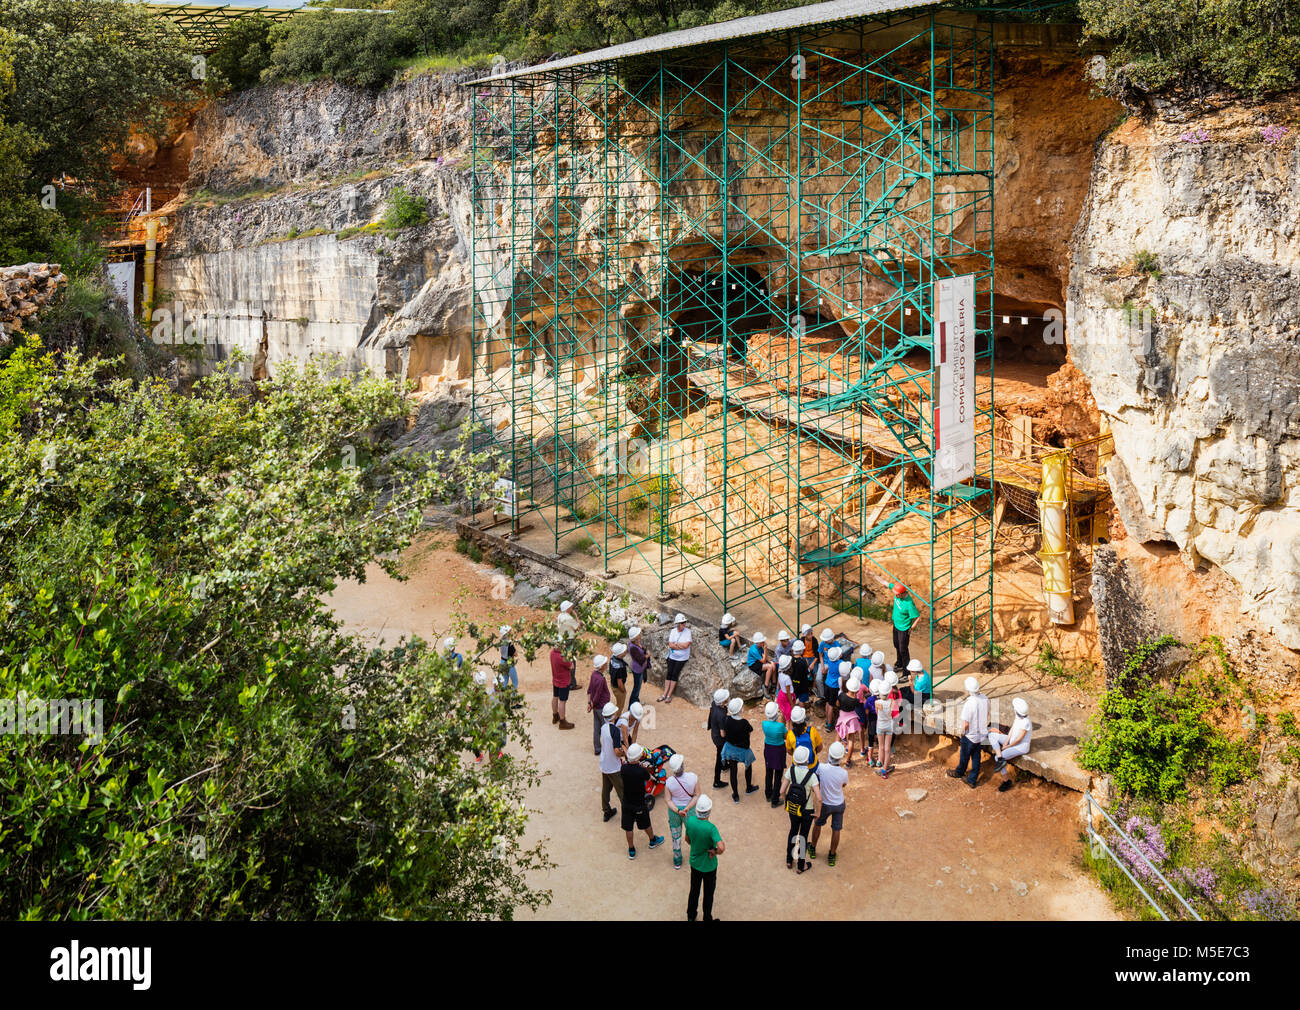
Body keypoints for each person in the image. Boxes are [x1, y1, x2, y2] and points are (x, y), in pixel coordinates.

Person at [620, 743, 665, 858]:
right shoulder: (641, 771)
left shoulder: (623, 768)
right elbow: (649, 777)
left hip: (626, 802)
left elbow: (628, 765)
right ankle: (652, 840)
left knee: (628, 827)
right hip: (639, 803)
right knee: (646, 823)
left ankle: (631, 849)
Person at [809, 740, 850, 866]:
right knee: (836, 829)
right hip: (839, 804)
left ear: (829, 754)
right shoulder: (844, 773)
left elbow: (815, 779)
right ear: (841, 757)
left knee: (818, 824)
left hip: (825, 804)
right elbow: (843, 785)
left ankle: (813, 848)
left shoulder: (821, 767)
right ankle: (832, 855)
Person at [781, 746, 821, 873]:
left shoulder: (791, 771)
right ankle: (801, 865)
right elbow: (819, 798)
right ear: (807, 759)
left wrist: (786, 804)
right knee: (803, 836)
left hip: (793, 808)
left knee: (793, 831)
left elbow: (782, 791)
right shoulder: (812, 776)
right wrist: (818, 812)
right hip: (807, 810)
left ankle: (789, 860)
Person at [685, 794, 724, 921]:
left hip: (695, 863)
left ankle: (691, 916)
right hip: (709, 866)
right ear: (709, 811)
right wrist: (715, 851)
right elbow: (722, 847)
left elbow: (687, 839)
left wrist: (696, 845)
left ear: (697, 810)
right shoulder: (711, 828)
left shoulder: (690, 821)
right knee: (708, 893)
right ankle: (707, 918)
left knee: (694, 890)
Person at [948, 676, 990, 788]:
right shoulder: (985, 698)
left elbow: (966, 724)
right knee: (976, 757)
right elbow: (987, 714)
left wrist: (962, 732)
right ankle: (972, 780)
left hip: (970, 735)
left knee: (964, 756)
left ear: (968, 689)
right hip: (980, 734)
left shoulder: (969, 703)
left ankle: (959, 772)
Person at [664, 753, 700, 869]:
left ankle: (677, 860)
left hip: (675, 811)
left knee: (676, 836)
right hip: (689, 810)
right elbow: (697, 795)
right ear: (683, 766)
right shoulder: (693, 777)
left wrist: (677, 810)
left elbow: (668, 800)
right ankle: (696, 856)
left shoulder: (669, 782)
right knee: (694, 834)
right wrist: (687, 808)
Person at [875, 579, 920, 670]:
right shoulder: (897, 591)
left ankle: (906, 671)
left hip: (904, 629)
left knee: (903, 650)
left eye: (897, 594)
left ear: (902, 593)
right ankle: (899, 663)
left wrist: (911, 628)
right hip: (896, 625)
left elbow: (918, 617)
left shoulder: (909, 604)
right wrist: (873, 575)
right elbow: (886, 583)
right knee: (896, 645)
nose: (895, 595)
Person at [721, 696, 759, 803]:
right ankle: (748, 787)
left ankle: (736, 795)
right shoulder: (744, 723)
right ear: (740, 710)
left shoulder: (726, 719)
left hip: (730, 748)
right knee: (748, 766)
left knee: (733, 771)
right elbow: (750, 731)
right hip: (743, 749)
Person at [990, 697, 1032, 792]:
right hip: (1012, 741)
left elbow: (1019, 739)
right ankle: (1000, 756)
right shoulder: (1019, 716)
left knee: (997, 759)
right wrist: (1005, 742)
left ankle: (1006, 782)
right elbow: (1012, 729)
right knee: (992, 735)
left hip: (1020, 747)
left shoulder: (1026, 722)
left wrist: (1008, 746)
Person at [598, 701, 626, 822]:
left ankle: (606, 811)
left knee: (606, 789)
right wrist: (624, 753)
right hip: (614, 766)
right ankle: (627, 814)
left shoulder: (603, 727)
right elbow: (616, 751)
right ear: (613, 715)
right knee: (622, 791)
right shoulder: (614, 730)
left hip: (604, 763)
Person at [761, 700, 787, 807]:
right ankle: (775, 800)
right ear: (776, 713)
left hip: (768, 749)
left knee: (769, 772)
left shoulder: (764, 724)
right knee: (778, 775)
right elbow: (785, 736)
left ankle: (768, 794)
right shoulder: (780, 726)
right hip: (779, 751)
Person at [876, 675, 903, 778]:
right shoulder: (892, 702)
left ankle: (879, 762)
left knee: (880, 746)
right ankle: (884, 769)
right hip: (889, 726)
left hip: (880, 726)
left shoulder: (877, 702)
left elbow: (878, 714)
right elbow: (894, 713)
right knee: (887, 748)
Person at [662, 614, 691, 703]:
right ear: (678, 624)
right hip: (672, 656)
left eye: (684, 622)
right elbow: (670, 645)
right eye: (682, 623)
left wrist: (676, 645)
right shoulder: (673, 631)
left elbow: (686, 645)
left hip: (682, 658)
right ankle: (664, 693)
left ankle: (669, 695)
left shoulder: (688, 632)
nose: (684, 624)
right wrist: (680, 646)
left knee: (674, 674)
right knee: (669, 674)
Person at [586, 654, 612, 756]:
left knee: (596, 729)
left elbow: (589, 690)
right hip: (602, 707)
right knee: (605, 728)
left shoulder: (593, 674)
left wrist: (589, 703)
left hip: (596, 708)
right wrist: (592, 704)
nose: (606, 664)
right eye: (605, 664)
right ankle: (607, 747)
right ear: (601, 666)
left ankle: (597, 748)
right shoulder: (601, 679)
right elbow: (597, 695)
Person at [835, 674, 863, 766]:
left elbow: (837, 704)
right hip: (851, 720)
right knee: (851, 740)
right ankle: (848, 761)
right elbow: (858, 705)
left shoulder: (842, 695)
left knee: (838, 737)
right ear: (857, 690)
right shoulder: (855, 700)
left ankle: (835, 757)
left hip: (842, 717)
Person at [785, 706, 822, 774]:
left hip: (797, 765)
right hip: (812, 765)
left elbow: (789, 751)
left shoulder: (790, 734)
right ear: (803, 718)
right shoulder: (812, 731)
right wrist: (813, 751)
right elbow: (820, 747)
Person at [555, 603, 583, 687]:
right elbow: (578, 627)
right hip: (569, 640)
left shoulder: (560, 616)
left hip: (562, 639)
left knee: (566, 659)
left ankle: (566, 681)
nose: (572, 608)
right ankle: (572, 683)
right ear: (567, 608)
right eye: (570, 607)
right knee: (571, 661)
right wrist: (576, 616)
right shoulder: (569, 618)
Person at [707, 688, 730, 789]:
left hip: (714, 733)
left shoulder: (714, 704)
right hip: (719, 739)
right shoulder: (721, 715)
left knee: (722, 754)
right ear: (724, 701)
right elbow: (723, 734)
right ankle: (716, 782)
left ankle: (724, 766)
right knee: (719, 756)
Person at [549, 645, 575, 730]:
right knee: (562, 701)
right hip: (563, 681)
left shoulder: (552, 653)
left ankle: (555, 715)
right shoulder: (562, 657)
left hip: (555, 679)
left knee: (555, 697)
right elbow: (571, 666)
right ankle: (562, 721)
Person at [626, 626, 649, 709]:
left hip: (639, 669)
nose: (640, 634)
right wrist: (647, 656)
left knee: (638, 687)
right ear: (636, 637)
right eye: (639, 634)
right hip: (638, 670)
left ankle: (636, 701)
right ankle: (631, 706)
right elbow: (640, 660)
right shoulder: (633, 647)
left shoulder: (635, 644)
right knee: (636, 688)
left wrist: (641, 646)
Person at [822, 648, 844, 730]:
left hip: (827, 684)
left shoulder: (829, 660)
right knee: (831, 705)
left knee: (827, 703)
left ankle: (827, 721)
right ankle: (830, 725)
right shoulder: (841, 663)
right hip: (834, 687)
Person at [611, 642, 636, 706]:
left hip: (613, 684)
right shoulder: (619, 667)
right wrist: (624, 691)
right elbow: (619, 683)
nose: (625, 651)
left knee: (619, 703)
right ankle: (617, 716)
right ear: (620, 654)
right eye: (624, 651)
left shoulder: (613, 658)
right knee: (620, 705)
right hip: (618, 688)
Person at [789, 641, 812, 707]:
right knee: (802, 700)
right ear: (802, 650)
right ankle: (801, 714)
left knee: (794, 698)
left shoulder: (791, 660)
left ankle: (793, 714)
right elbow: (807, 672)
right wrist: (808, 666)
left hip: (793, 683)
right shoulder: (803, 661)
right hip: (803, 685)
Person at [775, 654, 795, 726]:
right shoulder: (787, 679)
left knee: (783, 713)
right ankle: (790, 734)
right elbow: (788, 693)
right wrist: (792, 704)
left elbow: (780, 684)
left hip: (781, 694)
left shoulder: (780, 672)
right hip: (787, 697)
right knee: (790, 719)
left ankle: (782, 729)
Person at [497, 626, 519, 690]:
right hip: (509, 664)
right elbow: (516, 654)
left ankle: (502, 698)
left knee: (504, 682)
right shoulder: (509, 643)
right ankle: (513, 698)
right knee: (515, 683)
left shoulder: (501, 641)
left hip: (502, 662)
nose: (511, 632)